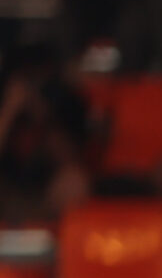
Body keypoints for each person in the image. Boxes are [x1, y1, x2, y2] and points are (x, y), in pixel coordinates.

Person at [0, 57, 96, 224]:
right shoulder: (6, 103)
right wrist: (10, 110)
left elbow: (69, 160)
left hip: (41, 197)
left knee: (73, 181)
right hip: (6, 191)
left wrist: (41, 115)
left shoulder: (59, 100)